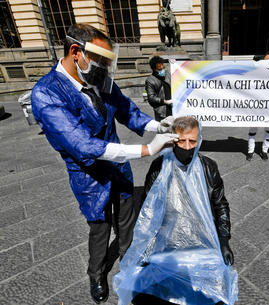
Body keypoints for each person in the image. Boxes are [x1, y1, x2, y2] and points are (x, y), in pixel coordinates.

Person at [31, 24, 178, 304]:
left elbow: (126, 110)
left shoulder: (101, 81)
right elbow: (82, 145)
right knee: (100, 229)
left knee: (127, 221)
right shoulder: (47, 94)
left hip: (118, 167)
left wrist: (158, 125)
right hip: (89, 176)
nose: (105, 69)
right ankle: (96, 274)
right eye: (100, 61)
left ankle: (131, 263)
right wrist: (147, 149)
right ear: (76, 52)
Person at [113, 116, 237, 305]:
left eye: (192, 141)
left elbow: (220, 205)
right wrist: (146, 247)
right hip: (167, 236)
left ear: (199, 140)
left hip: (202, 237)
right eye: (182, 140)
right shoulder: (160, 167)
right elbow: (149, 209)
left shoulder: (208, 167)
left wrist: (224, 240)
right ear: (173, 139)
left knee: (213, 285)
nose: (187, 147)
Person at [247, 51, 269, 161]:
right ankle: (250, 151)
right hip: (256, 107)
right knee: (252, 130)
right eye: (267, 59)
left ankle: (265, 151)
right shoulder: (256, 73)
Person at [146, 56, 172, 121]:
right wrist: (165, 101)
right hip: (162, 111)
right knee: (165, 130)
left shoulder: (167, 74)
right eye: (159, 69)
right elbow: (151, 98)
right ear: (154, 69)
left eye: (163, 68)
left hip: (173, 108)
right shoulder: (150, 80)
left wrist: (175, 64)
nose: (162, 70)